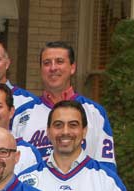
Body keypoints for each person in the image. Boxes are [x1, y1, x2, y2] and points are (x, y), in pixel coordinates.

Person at [12, 41, 116, 170]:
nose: (53, 68)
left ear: (72, 68)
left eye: (60, 61)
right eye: (47, 63)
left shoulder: (95, 113)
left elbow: (106, 167)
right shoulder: (21, 115)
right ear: (41, 69)